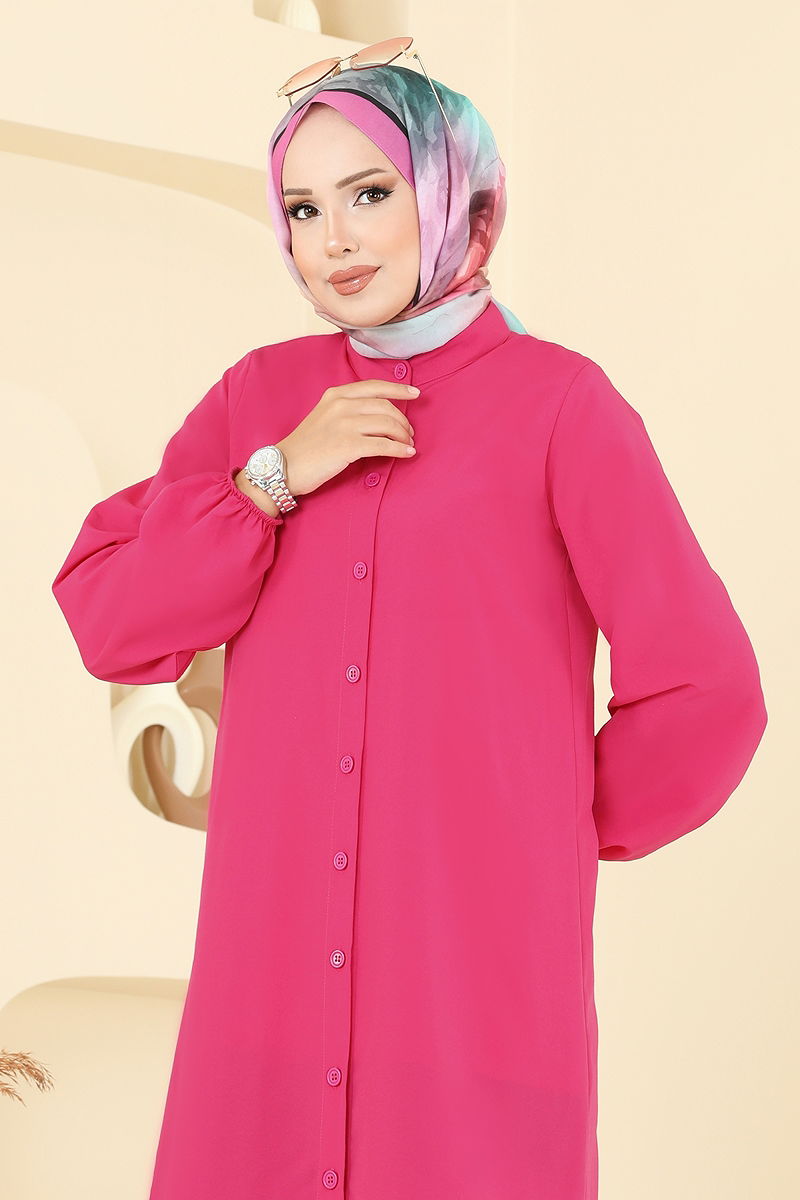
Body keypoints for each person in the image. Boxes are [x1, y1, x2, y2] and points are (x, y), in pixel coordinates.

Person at [51, 51, 768, 1200]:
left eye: (369, 193)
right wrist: (272, 479)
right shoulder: (258, 398)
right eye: (302, 208)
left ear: (452, 194)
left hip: (471, 1002)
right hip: (269, 998)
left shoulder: (560, 407)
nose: (332, 240)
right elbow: (112, 615)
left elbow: (704, 691)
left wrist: (537, 830)